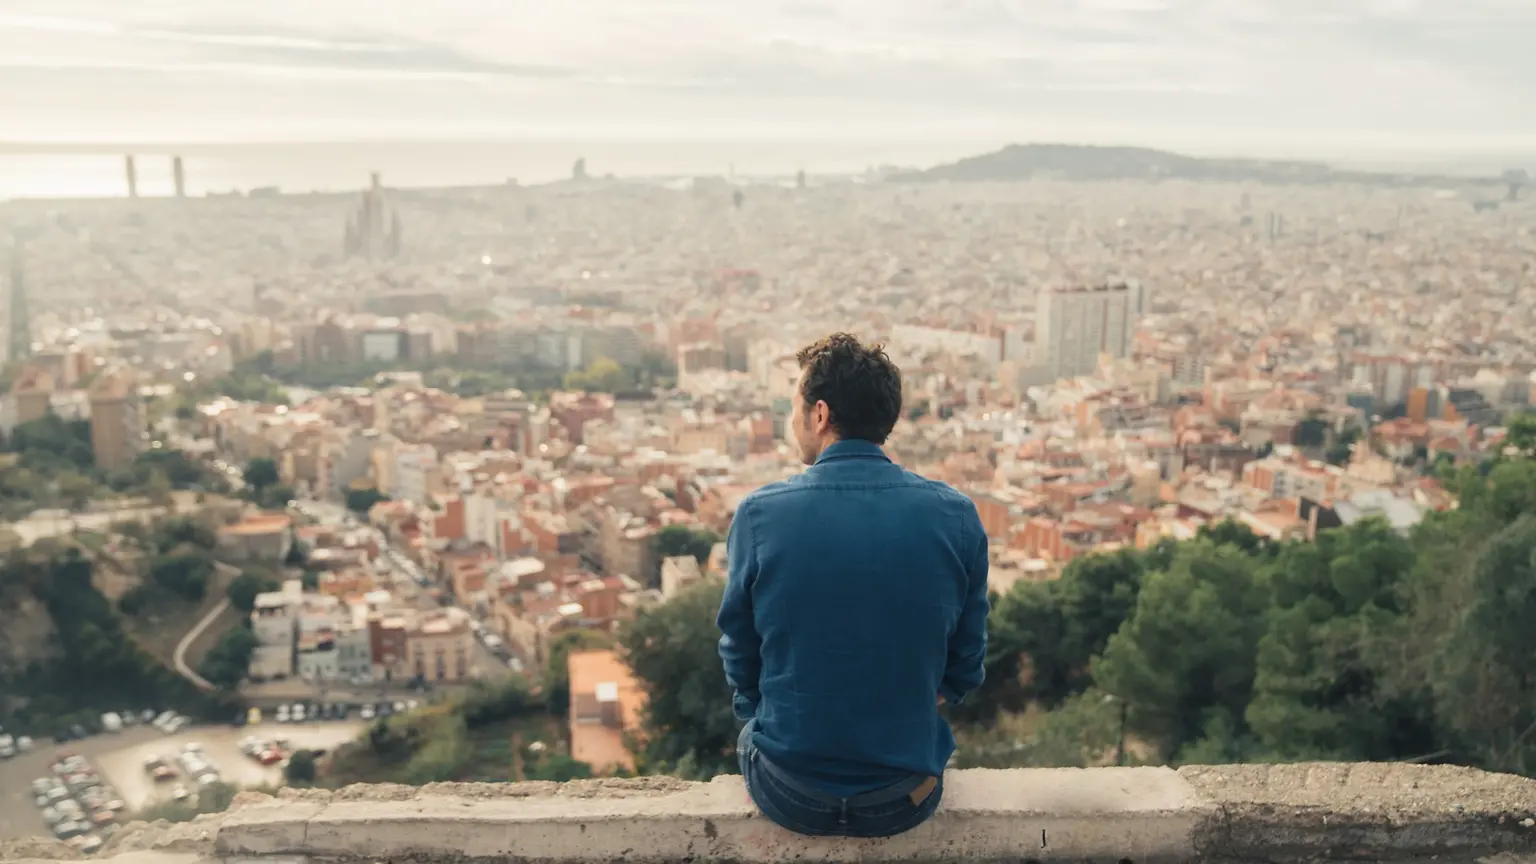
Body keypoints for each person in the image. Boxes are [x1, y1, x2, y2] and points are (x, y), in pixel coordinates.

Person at [717, 332, 989, 838]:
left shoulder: (761, 516)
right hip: (904, 795)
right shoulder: (956, 516)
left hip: (790, 790)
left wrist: (769, 714)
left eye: (793, 405)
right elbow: (966, 663)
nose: (790, 420)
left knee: (754, 733)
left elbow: (739, 651)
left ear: (819, 415)